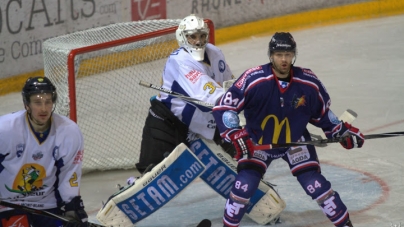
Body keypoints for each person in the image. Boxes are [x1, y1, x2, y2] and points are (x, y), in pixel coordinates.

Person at [212, 32, 365, 227]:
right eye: (279, 54)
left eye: (288, 54)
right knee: (243, 188)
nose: (284, 59)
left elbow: (323, 114)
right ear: (271, 55)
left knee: (318, 188)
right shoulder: (253, 78)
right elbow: (225, 108)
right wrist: (234, 133)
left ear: (294, 55)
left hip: (296, 140)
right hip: (259, 141)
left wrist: (342, 132)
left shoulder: (308, 82)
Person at [135, 14, 235, 173]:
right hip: (169, 123)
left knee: (240, 156)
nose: (198, 41)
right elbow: (207, 97)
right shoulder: (179, 59)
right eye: (192, 37)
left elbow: (229, 84)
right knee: (152, 173)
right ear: (182, 37)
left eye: (202, 36)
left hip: (204, 123)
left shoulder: (215, 53)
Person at [0, 77, 88, 227]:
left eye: (48, 102)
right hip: (8, 205)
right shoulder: (5, 129)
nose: (44, 108)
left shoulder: (69, 131)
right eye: (38, 102)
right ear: (27, 104)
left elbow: (69, 175)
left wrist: (73, 207)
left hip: (48, 207)